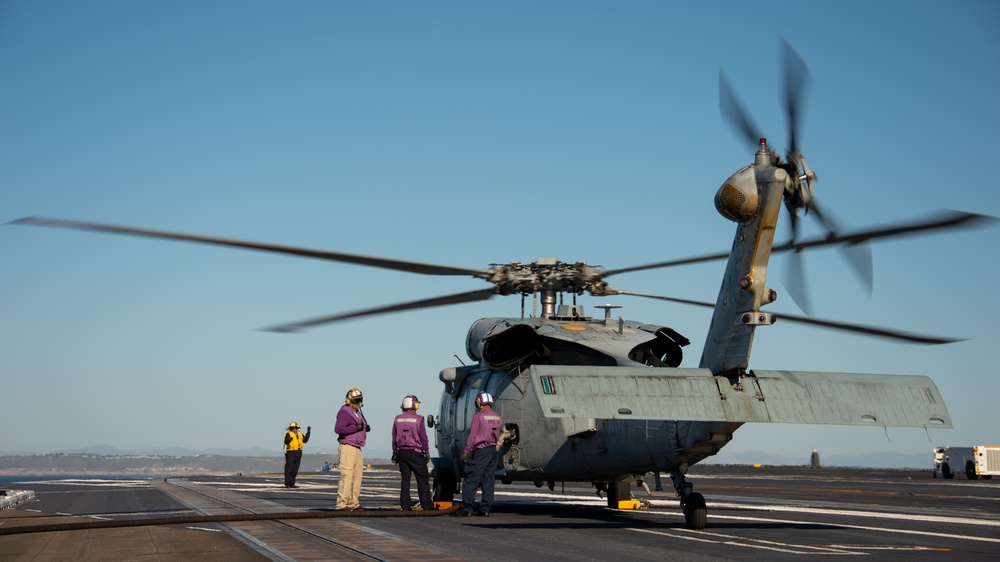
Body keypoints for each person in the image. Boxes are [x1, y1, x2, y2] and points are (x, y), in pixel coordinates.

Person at [456, 391, 503, 517]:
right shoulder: (497, 416)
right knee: (488, 480)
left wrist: (466, 451)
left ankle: (467, 508)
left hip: (481, 451)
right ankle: (486, 509)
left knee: (471, 479)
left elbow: (473, 436)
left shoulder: (479, 416)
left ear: (479, 402)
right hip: (493, 451)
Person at [392, 394, 434, 511]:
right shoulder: (418, 419)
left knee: (405, 479)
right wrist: (426, 452)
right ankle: (426, 504)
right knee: (422, 478)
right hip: (415, 452)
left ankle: (405, 505)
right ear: (413, 405)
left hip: (401, 452)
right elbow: (423, 437)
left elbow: (394, 437)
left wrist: (395, 452)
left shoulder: (397, 419)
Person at [335, 387, 369, 511]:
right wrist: (356, 428)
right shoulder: (345, 412)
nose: (358, 403)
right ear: (349, 401)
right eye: (356, 401)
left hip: (357, 447)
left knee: (357, 477)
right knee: (347, 476)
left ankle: (353, 502)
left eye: (360, 400)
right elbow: (338, 429)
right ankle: (342, 504)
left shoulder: (357, 413)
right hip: (348, 447)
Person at [283, 421, 311, 488]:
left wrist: (308, 433)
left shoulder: (300, 434)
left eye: (295, 428)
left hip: (298, 453)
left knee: (295, 470)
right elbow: (286, 442)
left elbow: (305, 440)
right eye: (293, 428)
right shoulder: (288, 434)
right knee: (289, 469)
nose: (294, 429)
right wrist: (288, 440)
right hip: (291, 453)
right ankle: (287, 483)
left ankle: (292, 483)